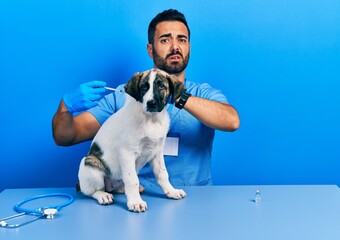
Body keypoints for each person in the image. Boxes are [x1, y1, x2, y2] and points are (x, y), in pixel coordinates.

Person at [52, 9, 240, 187]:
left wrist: (177, 95)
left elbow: (231, 121)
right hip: (139, 200)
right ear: (150, 49)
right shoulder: (125, 96)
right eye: (165, 40)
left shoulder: (202, 93)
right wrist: (65, 106)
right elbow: (67, 136)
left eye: (181, 40)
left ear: (189, 47)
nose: (175, 47)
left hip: (195, 197)